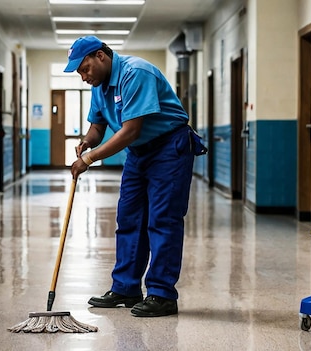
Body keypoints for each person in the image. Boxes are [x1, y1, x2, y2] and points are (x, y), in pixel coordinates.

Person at [65, 36, 206, 317]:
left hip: (169, 147)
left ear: (100, 56)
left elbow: (131, 130)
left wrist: (89, 159)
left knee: (162, 219)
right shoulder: (100, 85)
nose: (83, 77)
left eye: (84, 69)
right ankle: (126, 287)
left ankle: (162, 294)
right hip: (139, 153)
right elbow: (98, 126)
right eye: (80, 73)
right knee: (129, 218)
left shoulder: (135, 73)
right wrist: (87, 143)